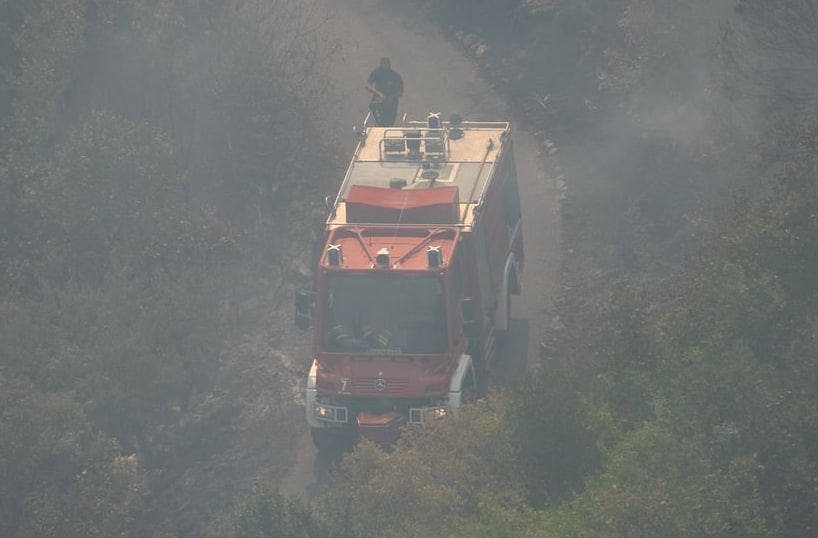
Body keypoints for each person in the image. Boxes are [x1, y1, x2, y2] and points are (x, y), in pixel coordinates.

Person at [366, 57, 403, 127]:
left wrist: (391, 97)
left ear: (389, 65)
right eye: (383, 64)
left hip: (391, 102)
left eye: (386, 64)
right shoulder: (377, 72)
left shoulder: (395, 76)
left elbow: (400, 92)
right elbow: (368, 85)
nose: (384, 66)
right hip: (378, 100)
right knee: (375, 109)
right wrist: (379, 94)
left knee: (389, 121)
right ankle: (379, 126)